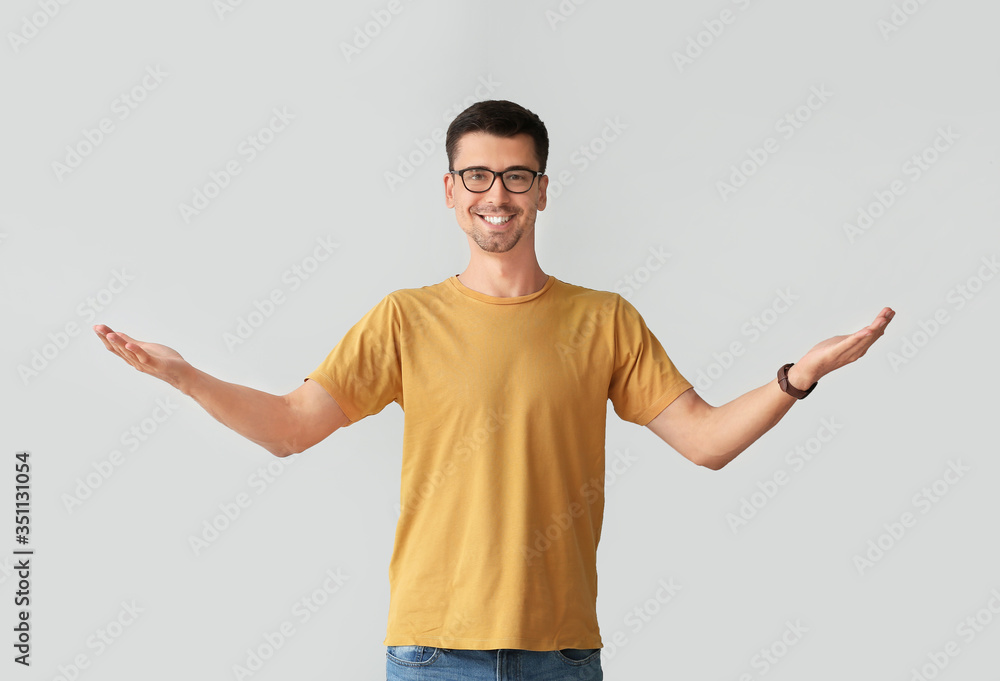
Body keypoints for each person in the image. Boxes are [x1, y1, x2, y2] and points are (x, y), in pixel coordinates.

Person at [93, 100, 894, 681]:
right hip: (434, 652)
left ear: (543, 190)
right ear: (449, 191)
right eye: (477, 174)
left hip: (562, 654)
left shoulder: (604, 319)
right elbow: (291, 427)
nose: (496, 193)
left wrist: (801, 375)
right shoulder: (405, 319)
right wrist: (184, 374)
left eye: (516, 175)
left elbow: (705, 440)